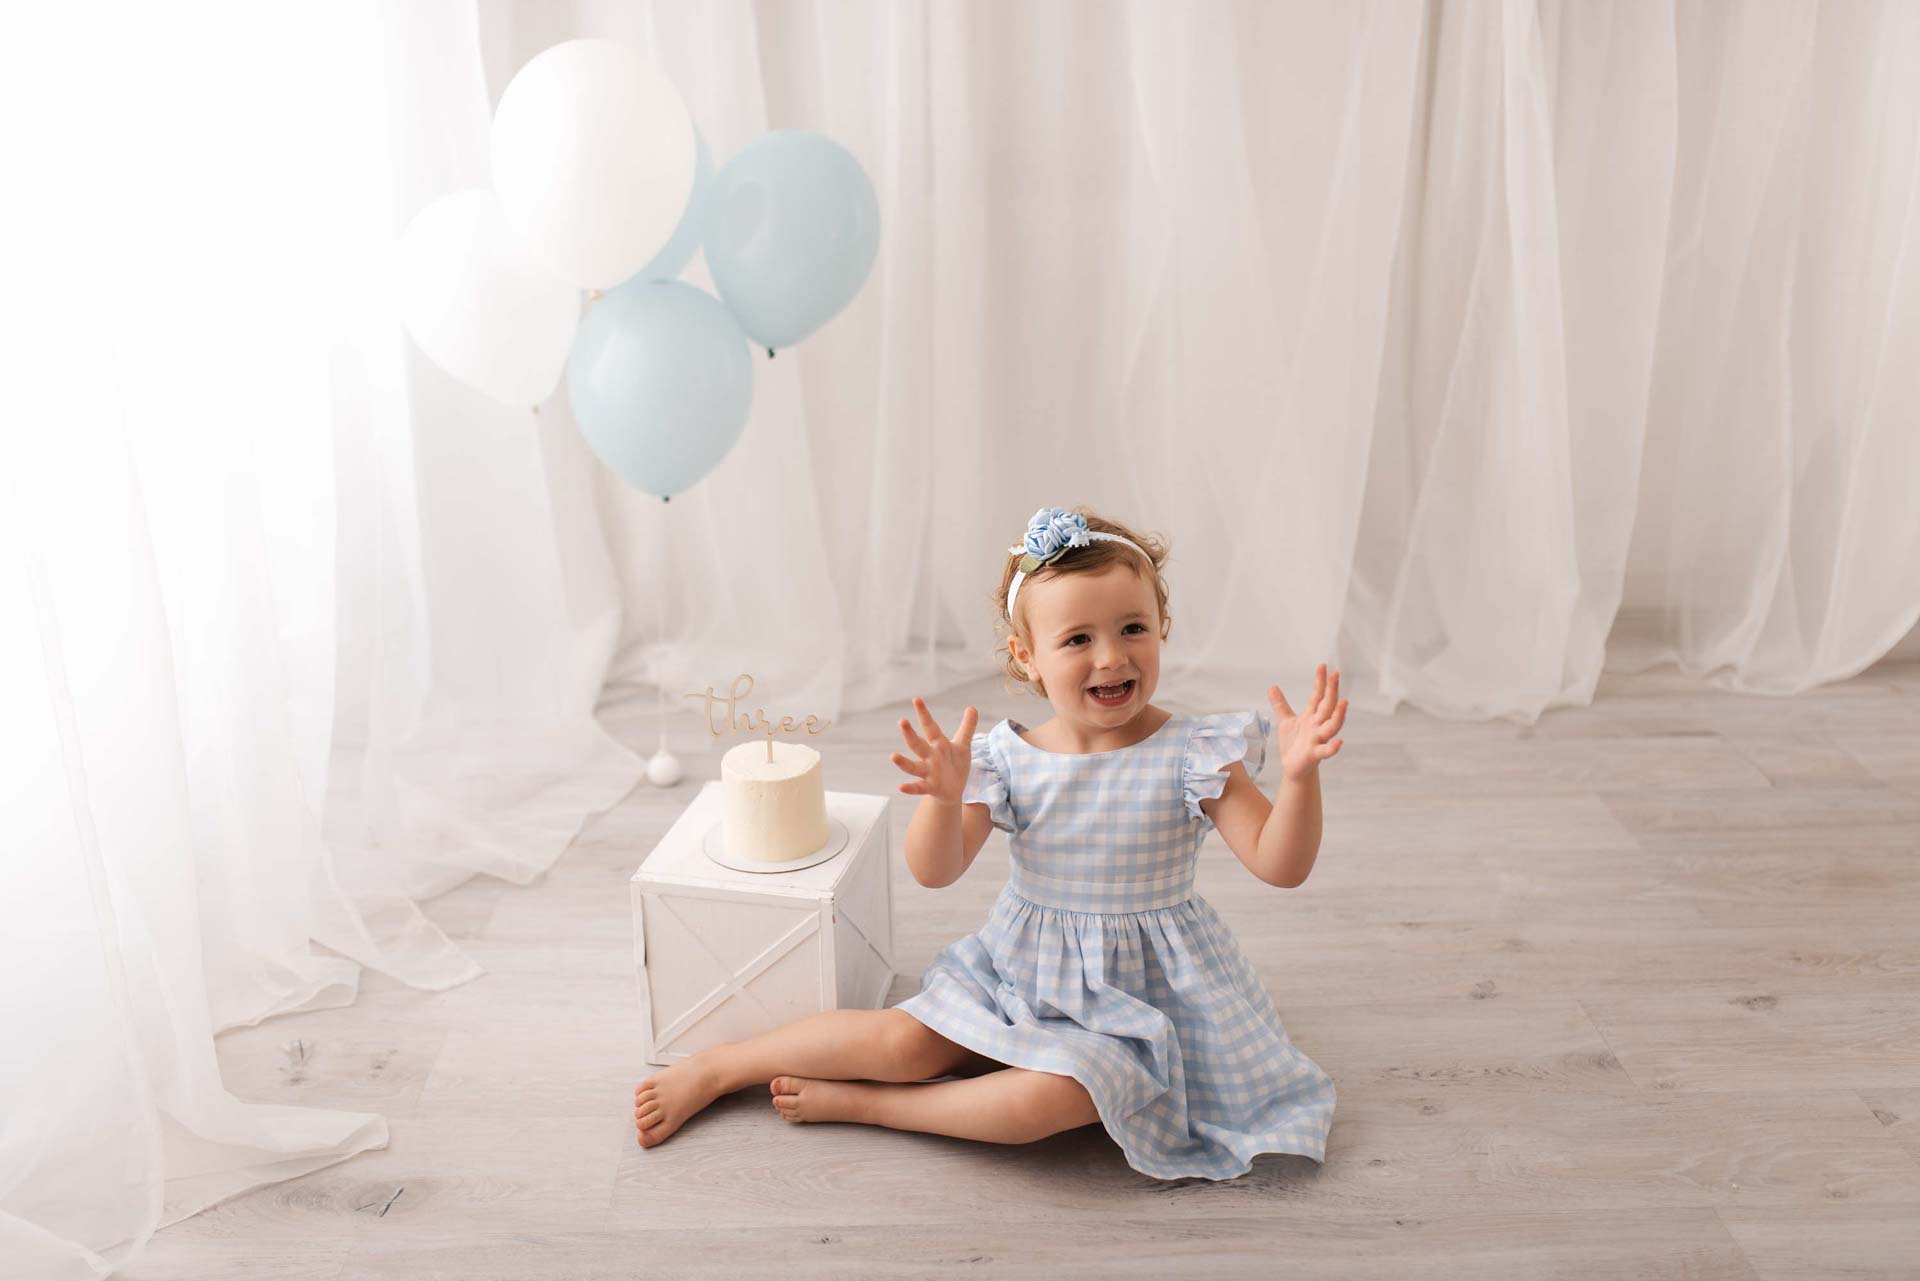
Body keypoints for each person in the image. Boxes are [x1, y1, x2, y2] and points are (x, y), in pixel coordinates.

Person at [635, 505, 1344, 1180]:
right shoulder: (1011, 759)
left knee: (1057, 1097)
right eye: (1077, 639)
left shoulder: (1194, 752)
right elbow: (934, 870)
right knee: (903, 1042)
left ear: (1162, 625)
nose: (1111, 657)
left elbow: (1279, 864)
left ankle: (874, 1106)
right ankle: (722, 1066)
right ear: (1026, 656)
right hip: (1022, 972)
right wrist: (945, 799)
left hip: (1141, 1003)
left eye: (1133, 628)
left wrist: (1298, 778)